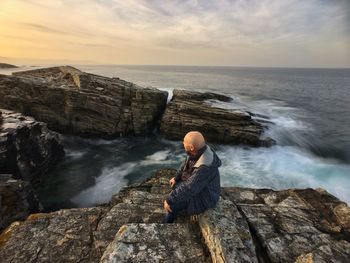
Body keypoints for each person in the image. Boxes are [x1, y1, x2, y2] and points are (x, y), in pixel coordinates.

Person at [161, 131, 222, 223]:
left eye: (184, 142)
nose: (183, 143)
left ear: (192, 147)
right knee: (175, 188)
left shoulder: (204, 167)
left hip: (206, 197)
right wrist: (176, 177)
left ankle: (164, 226)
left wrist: (169, 199)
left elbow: (189, 188)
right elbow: (185, 163)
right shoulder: (198, 151)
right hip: (198, 185)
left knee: (172, 206)